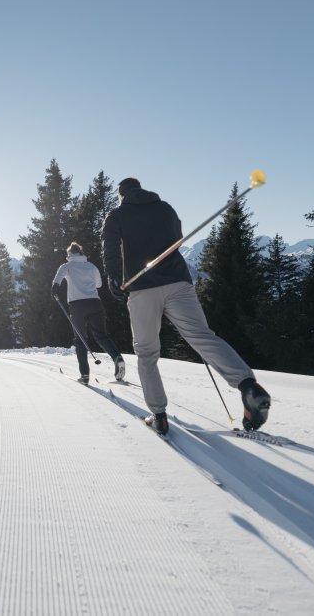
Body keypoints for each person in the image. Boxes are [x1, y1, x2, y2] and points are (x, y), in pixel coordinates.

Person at [101, 177, 271, 435]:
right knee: (202, 337)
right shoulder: (165, 208)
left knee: (147, 353)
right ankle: (248, 385)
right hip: (178, 282)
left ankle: (159, 415)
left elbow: (109, 247)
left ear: (121, 194)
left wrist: (114, 276)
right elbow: (177, 238)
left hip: (143, 289)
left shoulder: (117, 214)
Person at [51, 242, 127, 384]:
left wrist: (55, 289)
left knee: (80, 340)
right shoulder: (91, 266)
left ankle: (85, 376)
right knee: (102, 336)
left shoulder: (67, 266)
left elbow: (57, 280)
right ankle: (117, 358)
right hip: (95, 303)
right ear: (81, 252)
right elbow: (98, 284)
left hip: (77, 306)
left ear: (69, 254)